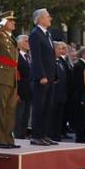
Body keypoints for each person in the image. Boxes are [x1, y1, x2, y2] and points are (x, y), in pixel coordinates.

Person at [0, 11, 20, 148]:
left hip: (11, 76)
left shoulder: (11, 37)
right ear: (3, 23)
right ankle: (1, 140)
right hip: (1, 76)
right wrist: (0, 25)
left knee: (10, 110)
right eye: (10, 20)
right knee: (1, 110)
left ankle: (8, 139)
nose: (14, 23)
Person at [27, 8, 57, 146]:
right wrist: (42, 75)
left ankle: (44, 134)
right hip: (42, 77)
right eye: (47, 16)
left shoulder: (47, 34)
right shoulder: (35, 34)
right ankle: (36, 135)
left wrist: (53, 75)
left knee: (47, 107)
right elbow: (37, 57)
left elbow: (51, 57)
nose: (50, 18)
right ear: (39, 19)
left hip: (50, 76)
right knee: (39, 107)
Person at [51, 42, 70, 141]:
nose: (61, 50)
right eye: (59, 48)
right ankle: (51, 135)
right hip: (53, 94)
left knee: (59, 117)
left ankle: (57, 135)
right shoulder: (50, 61)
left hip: (62, 94)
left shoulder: (61, 61)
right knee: (52, 117)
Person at [15, 34, 32, 139]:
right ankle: (17, 136)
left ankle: (22, 135)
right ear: (19, 43)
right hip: (20, 91)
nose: (28, 43)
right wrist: (15, 92)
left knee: (26, 116)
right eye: (26, 41)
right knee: (18, 117)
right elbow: (14, 75)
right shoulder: (16, 56)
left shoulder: (29, 56)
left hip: (28, 91)